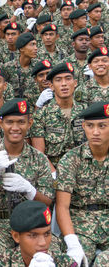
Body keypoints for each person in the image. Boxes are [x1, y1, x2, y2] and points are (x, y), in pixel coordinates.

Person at [0, 98, 57, 257]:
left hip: (35, 223)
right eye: (10, 122)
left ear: (29, 123)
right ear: (1, 123)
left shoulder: (39, 159)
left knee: (50, 256)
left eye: (21, 122)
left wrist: (30, 190)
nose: (16, 128)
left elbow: (47, 202)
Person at [55, 101, 109, 264]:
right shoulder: (71, 159)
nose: (95, 132)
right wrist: (72, 242)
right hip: (80, 223)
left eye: (102, 126)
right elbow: (62, 206)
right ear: (83, 127)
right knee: (74, 263)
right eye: (90, 126)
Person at [0, 200, 78, 266]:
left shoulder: (63, 262)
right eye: (33, 235)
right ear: (16, 236)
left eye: (47, 234)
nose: (43, 243)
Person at [31, 62, 86, 174]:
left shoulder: (86, 112)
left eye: (68, 79)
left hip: (84, 171)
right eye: (58, 80)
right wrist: (54, 174)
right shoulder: (41, 115)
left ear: (75, 83)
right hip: (53, 171)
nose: (64, 84)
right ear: (51, 86)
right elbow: (39, 153)